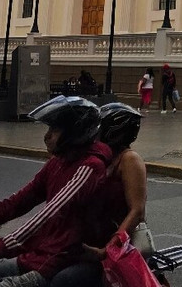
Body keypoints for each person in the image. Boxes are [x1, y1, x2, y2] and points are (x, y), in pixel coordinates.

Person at [0, 96, 110, 287]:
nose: (47, 136)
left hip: (55, 265)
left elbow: (49, 215)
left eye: (55, 130)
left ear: (75, 133)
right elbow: (15, 204)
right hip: (33, 258)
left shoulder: (89, 168)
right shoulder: (58, 163)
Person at [50, 103, 149, 287]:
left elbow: (137, 211)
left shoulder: (129, 159)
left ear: (114, 130)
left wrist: (107, 250)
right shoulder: (103, 157)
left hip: (113, 251)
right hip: (89, 243)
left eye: (99, 127)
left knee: (63, 281)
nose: (95, 133)